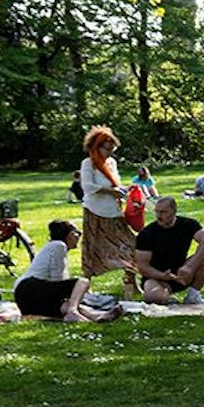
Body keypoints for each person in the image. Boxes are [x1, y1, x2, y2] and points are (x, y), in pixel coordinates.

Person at [14, 221, 121, 322]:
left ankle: (96, 316)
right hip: (28, 287)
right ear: (71, 235)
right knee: (83, 282)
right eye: (78, 233)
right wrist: (77, 291)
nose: (79, 237)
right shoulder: (58, 245)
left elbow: (58, 284)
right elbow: (57, 279)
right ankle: (72, 311)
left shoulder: (53, 247)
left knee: (65, 305)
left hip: (27, 302)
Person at [78, 126, 140, 299]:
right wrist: (110, 191)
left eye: (112, 149)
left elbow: (116, 185)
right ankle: (85, 287)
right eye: (107, 149)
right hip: (95, 211)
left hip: (113, 212)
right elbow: (88, 187)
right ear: (96, 147)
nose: (110, 153)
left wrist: (126, 189)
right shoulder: (88, 163)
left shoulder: (111, 163)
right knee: (92, 249)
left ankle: (131, 282)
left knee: (131, 245)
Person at [132, 196, 204, 306]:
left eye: (163, 212)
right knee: (155, 298)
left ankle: (193, 296)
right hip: (157, 278)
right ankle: (165, 296)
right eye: (157, 212)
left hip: (183, 273)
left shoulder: (188, 224)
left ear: (174, 211)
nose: (159, 216)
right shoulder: (147, 234)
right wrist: (163, 276)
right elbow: (143, 267)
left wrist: (190, 266)